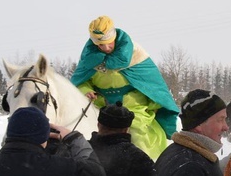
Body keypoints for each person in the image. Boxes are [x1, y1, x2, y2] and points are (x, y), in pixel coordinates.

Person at [71, 15, 179, 160]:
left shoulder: (136, 55)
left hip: (134, 107)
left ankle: (147, 166)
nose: (106, 48)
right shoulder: (90, 59)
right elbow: (81, 79)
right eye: (100, 45)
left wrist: (154, 104)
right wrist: (86, 90)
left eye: (109, 43)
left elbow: (152, 84)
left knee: (139, 136)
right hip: (100, 106)